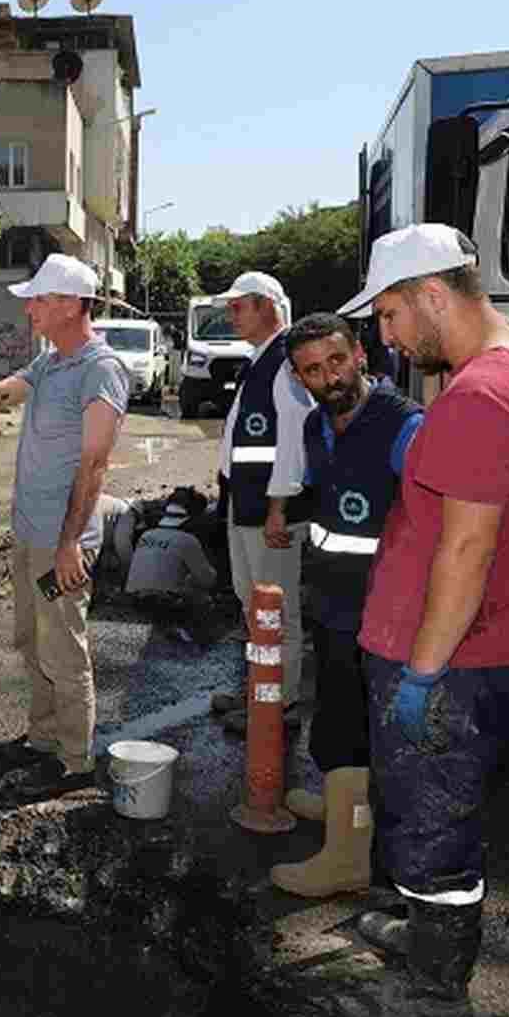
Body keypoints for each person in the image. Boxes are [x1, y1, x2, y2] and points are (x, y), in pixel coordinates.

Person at [338, 224, 509, 1017]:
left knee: (433, 827)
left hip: (445, 660)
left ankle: (432, 990)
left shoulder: (480, 396)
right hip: (476, 649)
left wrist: (423, 674)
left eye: (390, 315)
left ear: (432, 295)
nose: (386, 338)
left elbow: (466, 549)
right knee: (426, 813)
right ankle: (421, 937)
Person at [268, 312, 422, 900]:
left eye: (337, 361)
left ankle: (348, 858)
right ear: (298, 377)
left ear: (360, 354)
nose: (329, 378)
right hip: (333, 606)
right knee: (335, 718)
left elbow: (440, 518)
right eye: (312, 370)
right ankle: (342, 807)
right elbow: (326, 502)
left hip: (382, 613)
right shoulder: (316, 426)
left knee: (359, 727)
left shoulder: (403, 426)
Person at [0, 253, 130, 799]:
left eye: (39, 299)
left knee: (63, 649)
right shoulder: (52, 361)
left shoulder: (100, 369)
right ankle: (42, 739)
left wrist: (69, 544)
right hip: (30, 534)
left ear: (69, 305)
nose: (30, 309)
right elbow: (14, 386)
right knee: (33, 641)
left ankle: (75, 762)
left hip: (60, 542)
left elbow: (95, 464)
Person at [209, 271, 317, 735]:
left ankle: (281, 702)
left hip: (271, 510)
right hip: (248, 504)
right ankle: (260, 687)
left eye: (238, 306)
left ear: (267, 306)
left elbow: (294, 439)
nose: (230, 315)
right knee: (253, 604)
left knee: (277, 609)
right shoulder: (262, 360)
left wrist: (279, 508)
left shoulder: (285, 362)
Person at [122, 488, 219, 644]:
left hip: (136, 601)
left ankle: (164, 626)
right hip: (169, 605)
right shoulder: (187, 540)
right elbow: (208, 580)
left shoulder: (146, 535)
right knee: (201, 593)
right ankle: (191, 633)